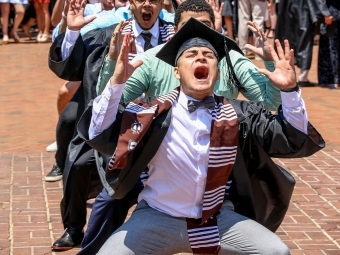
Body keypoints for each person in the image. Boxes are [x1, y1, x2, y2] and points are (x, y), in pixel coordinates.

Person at [79, 17, 324, 255]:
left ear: (216, 72)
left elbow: (292, 137)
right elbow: (98, 130)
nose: (200, 57)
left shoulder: (239, 115)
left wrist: (290, 91)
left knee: (276, 251)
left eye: (208, 56)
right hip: (157, 217)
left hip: (219, 219)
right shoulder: (152, 114)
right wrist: (116, 83)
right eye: (191, 55)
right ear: (176, 72)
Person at [48, 0, 176, 250]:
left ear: (162, 3)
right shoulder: (109, 31)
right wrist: (72, 30)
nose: (147, 4)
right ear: (131, 3)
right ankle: (74, 228)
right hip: (113, 124)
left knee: (117, 195)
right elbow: (68, 66)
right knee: (79, 163)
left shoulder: (174, 35)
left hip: (160, 125)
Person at [276, 0, 332, 87]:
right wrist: (325, 12)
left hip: (288, 9)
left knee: (289, 39)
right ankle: (303, 77)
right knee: (305, 42)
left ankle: (288, 75)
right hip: (303, 11)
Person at [318, 0, 340, 89]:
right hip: (331, 15)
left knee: (332, 47)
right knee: (330, 46)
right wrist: (326, 13)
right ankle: (333, 79)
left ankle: (334, 80)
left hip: (332, 14)